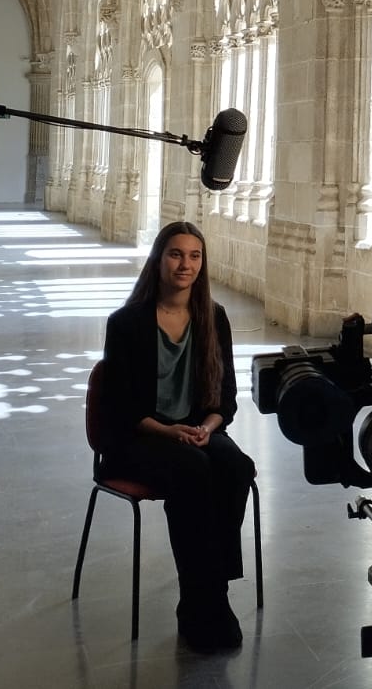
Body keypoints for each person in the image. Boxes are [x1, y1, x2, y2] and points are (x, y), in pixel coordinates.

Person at [98, 221, 256, 652]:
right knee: (191, 471)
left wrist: (206, 427)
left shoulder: (213, 317)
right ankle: (202, 600)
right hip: (140, 436)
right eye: (175, 254)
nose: (185, 264)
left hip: (195, 428)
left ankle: (209, 592)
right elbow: (120, 407)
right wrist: (167, 430)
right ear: (158, 259)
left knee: (236, 466)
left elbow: (225, 395)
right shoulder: (127, 323)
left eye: (194, 256)